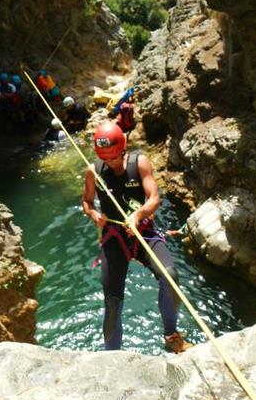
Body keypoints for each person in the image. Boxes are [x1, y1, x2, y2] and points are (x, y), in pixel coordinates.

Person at [81, 122, 192, 353]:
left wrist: (138, 214)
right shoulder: (93, 171)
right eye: (105, 158)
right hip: (114, 237)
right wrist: (94, 214)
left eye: (113, 156)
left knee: (170, 276)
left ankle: (171, 336)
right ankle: (112, 355)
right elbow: (87, 201)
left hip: (143, 232)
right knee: (112, 301)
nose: (110, 162)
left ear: (122, 148)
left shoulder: (139, 163)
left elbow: (154, 197)